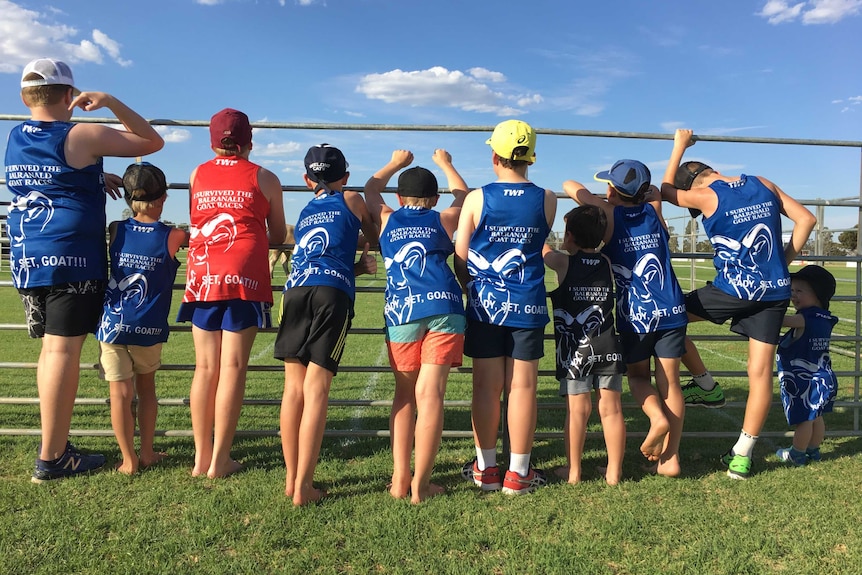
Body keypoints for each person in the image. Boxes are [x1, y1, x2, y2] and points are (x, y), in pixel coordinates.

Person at [5, 58, 164, 482]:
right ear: (69, 97)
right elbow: (151, 141)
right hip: (71, 256)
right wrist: (110, 101)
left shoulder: (15, 136)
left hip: (27, 256)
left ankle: (53, 445)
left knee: (48, 352)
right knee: (62, 352)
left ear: (24, 97)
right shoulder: (82, 133)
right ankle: (53, 456)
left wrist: (94, 176)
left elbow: (51, 176)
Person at [661, 128, 817, 479]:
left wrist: (678, 147)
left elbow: (666, 191)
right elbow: (807, 219)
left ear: (695, 185)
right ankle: (742, 457)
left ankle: (705, 385)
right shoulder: (762, 182)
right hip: (774, 291)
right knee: (759, 375)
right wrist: (781, 264)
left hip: (731, 290)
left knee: (668, 318)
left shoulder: (705, 196)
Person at [178, 108, 287, 479]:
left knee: (205, 368)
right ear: (249, 143)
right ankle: (220, 459)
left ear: (211, 141)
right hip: (244, 277)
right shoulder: (265, 177)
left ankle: (200, 457)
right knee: (233, 367)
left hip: (203, 274)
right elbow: (277, 234)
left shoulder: (197, 173)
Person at [567, 160, 687, 477]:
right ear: (644, 193)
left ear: (612, 191)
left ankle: (656, 418)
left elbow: (571, 187)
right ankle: (671, 458)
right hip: (673, 309)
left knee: (637, 378)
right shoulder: (654, 211)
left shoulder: (609, 215)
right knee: (671, 383)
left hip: (636, 315)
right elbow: (659, 189)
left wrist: (607, 201)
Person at [455, 119, 557, 495]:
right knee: (524, 388)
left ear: (494, 155)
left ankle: (486, 469)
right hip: (527, 305)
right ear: (530, 157)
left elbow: (461, 255)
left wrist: (470, 287)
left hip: (485, 306)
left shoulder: (476, 198)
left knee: (485, 386)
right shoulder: (548, 198)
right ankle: (519, 473)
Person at [364, 149, 469, 503]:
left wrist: (394, 162)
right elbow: (464, 196)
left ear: (399, 197)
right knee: (432, 396)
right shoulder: (444, 219)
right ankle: (421, 487)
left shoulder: (387, 216)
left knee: (405, 396)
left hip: (402, 312)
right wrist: (446, 164)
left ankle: (399, 480)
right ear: (435, 198)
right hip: (445, 307)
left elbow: (370, 188)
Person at [275, 144, 378, 506]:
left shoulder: (305, 212)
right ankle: (305, 487)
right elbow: (375, 237)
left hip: (295, 292)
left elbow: (317, 259)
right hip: (331, 295)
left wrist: (353, 267)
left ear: (306, 180)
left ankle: (291, 479)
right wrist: (363, 257)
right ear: (345, 176)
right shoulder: (351, 198)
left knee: (293, 389)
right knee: (317, 389)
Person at [96, 162, 186, 474]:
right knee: (146, 390)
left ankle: (128, 459)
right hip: (147, 328)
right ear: (162, 198)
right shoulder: (174, 236)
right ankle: (147, 451)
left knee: (119, 394)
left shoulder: (115, 230)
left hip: (112, 325)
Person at [543, 205, 626, 485]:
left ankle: (574, 471)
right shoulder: (606, 260)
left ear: (570, 237)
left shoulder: (562, 262)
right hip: (608, 344)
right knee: (612, 410)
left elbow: (540, 248)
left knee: (577, 411)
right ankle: (614, 472)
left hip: (575, 351)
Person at [775, 265, 838, 466]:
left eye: (799, 291)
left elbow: (782, 321)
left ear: (817, 294)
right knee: (816, 416)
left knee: (805, 419)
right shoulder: (825, 318)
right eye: (792, 290)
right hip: (824, 377)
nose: (793, 295)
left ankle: (797, 453)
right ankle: (813, 450)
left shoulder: (805, 317)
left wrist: (764, 311)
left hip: (805, 380)